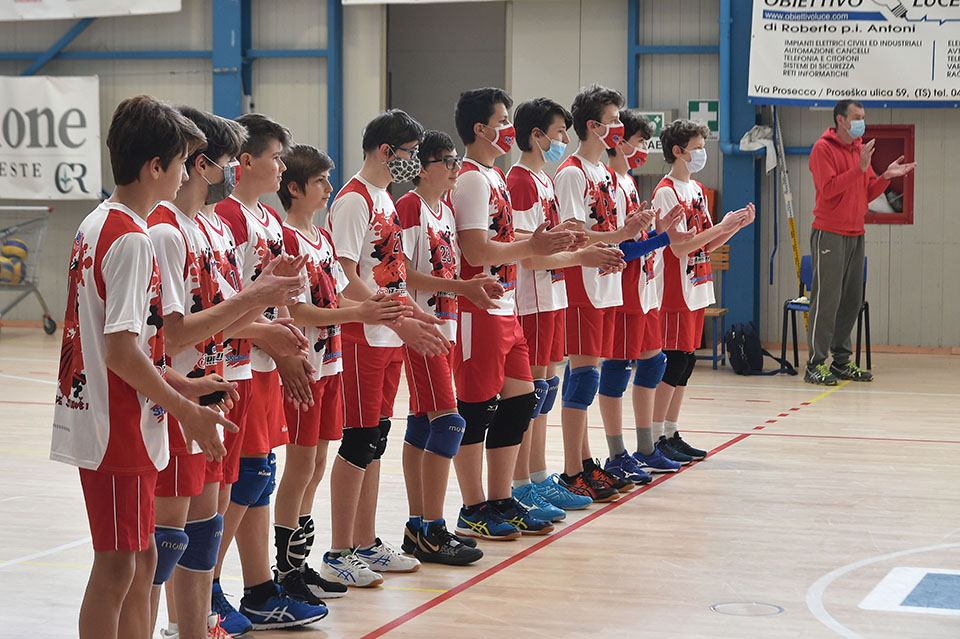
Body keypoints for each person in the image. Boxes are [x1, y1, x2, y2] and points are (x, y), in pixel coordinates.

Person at [50, 94, 237, 639]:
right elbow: (120, 352)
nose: (186, 175)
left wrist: (183, 383)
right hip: (117, 428)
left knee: (144, 558)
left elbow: (126, 344)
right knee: (116, 568)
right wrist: (185, 409)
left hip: (116, 417)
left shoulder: (99, 222)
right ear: (155, 166)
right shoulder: (131, 240)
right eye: (181, 163)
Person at [149, 106, 308, 639]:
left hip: (216, 384)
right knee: (167, 540)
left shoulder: (202, 227)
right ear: (201, 165)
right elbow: (172, 335)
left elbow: (220, 312)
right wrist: (258, 302)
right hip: (181, 394)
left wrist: (265, 311)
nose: (232, 173)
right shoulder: (166, 231)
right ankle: (179, 625)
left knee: (206, 524)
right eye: (226, 162)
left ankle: (197, 623)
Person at [274, 143, 409, 597]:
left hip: (329, 364)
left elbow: (336, 296)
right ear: (294, 188)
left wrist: (381, 305)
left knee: (315, 466)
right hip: (304, 367)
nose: (328, 187)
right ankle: (285, 572)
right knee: (298, 469)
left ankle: (301, 565)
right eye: (319, 181)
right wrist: (359, 314)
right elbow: (300, 311)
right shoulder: (287, 239)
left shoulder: (321, 238)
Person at [321, 109, 449, 587]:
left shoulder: (384, 197)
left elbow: (389, 272)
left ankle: (366, 541)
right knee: (357, 441)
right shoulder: (353, 200)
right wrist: (395, 317)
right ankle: (338, 552)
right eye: (410, 153)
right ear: (385, 151)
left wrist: (414, 313)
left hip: (386, 334)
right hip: (361, 337)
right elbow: (343, 275)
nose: (414, 161)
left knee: (375, 439)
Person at [213, 113, 329, 631]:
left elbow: (280, 298)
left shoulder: (266, 220)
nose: (282, 168)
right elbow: (224, 308)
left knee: (261, 479)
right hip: (235, 367)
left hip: (262, 365)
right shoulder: (229, 218)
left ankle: (260, 590)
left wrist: (288, 348)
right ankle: (207, 587)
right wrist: (274, 343)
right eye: (276, 158)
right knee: (244, 479)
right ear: (243, 162)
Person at [449, 87, 578, 541]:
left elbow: (508, 240)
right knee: (476, 407)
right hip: (478, 307)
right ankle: (472, 507)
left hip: (506, 305)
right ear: (479, 129)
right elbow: (475, 250)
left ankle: (502, 497)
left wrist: (545, 242)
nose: (508, 128)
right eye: (502, 121)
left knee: (522, 400)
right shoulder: (470, 179)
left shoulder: (494, 176)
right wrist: (531, 246)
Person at [506, 97, 624, 520]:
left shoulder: (542, 179)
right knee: (530, 396)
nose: (564, 139)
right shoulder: (520, 180)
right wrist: (578, 255)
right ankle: (522, 483)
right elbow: (526, 254)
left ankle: (538, 476)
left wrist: (572, 238)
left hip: (551, 294)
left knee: (544, 393)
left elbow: (546, 241)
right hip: (533, 298)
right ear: (536, 135)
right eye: (558, 132)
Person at [395, 130, 494, 565]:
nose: (456, 168)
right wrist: (461, 288)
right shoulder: (410, 206)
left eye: (456, 161)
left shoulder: (446, 210)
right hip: (422, 326)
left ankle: (418, 528)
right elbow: (402, 275)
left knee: (423, 423)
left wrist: (469, 289)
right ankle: (433, 529)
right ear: (423, 167)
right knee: (450, 423)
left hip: (446, 324)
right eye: (448, 161)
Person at [553, 84, 648, 502]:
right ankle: (572, 470)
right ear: (593, 126)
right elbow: (574, 236)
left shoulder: (605, 173)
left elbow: (611, 232)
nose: (620, 126)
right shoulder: (572, 172)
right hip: (582, 284)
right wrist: (620, 233)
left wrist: (631, 232)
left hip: (607, 283)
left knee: (588, 377)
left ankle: (586, 461)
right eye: (613, 120)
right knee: (583, 377)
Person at [651, 119, 755, 464]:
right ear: (677, 151)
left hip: (697, 285)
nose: (702, 153)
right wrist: (721, 226)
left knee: (687, 362)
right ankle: (655, 438)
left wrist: (733, 227)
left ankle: (671, 431)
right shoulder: (666, 191)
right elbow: (679, 247)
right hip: (675, 289)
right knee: (673, 361)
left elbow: (705, 244)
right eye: (696, 147)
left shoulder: (696, 189)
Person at [598, 109, 690, 481]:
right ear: (619, 142)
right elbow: (620, 247)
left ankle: (646, 447)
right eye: (639, 142)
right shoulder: (608, 182)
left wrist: (660, 232)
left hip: (645, 289)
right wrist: (662, 238)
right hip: (624, 292)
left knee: (655, 363)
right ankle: (616, 453)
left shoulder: (629, 182)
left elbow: (636, 240)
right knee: (615, 371)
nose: (643, 150)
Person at [805, 99, 915, 385]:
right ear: (841, 120)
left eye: (863, 117)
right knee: (826, 300)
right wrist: (859, 168)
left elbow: (865, 193)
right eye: (856, 117)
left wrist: (886, 177)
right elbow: (828, 190)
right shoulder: (823, 149)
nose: (861, 122)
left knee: (851, 301)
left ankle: (841, 362)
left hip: (856, 232)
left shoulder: (858, 149)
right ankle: (815, 364)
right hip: (829, 232)